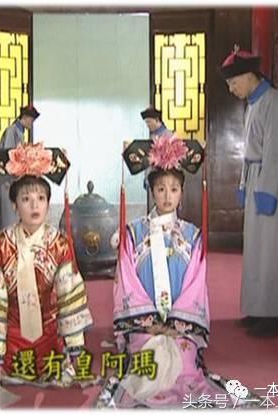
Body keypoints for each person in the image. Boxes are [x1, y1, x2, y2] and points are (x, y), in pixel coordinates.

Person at [96, 135, 257, 409]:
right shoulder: (133, 234)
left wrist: (175, 325)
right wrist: (150, 323)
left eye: (174, 189)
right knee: (151, 361)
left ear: (182, 192)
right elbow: (127, 282)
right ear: (152, 191)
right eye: (161, 189)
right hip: (143, 325)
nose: (167, 196)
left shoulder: (192, 236)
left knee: (184, 365)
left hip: (181, 325)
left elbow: (196, 286)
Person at [0, 143, 94, 390]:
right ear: (14, 205)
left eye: (41, 198)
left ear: (48, 203)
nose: (34, 206)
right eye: (26, 199)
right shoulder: (2, 244)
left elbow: (70, 300)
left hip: (49, 339)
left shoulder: (59, 244)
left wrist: (75, 349)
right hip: (11, 340)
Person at [220, 45, 278, 338]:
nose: (232, 89)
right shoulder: (252, 104)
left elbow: (274, 152)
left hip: (268, 180)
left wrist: (267, 190)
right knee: (255, 250)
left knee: (268, 250)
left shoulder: (273, 101)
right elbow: (249, 154)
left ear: (248, 76)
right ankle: (256, 308)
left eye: (233, 82)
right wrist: (244, 185)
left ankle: (272, 313)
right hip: (254, 176)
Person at [0, 105, 40, 233]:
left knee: (14, 215)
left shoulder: (19, 132)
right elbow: (9, 156)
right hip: (7, 180)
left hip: (15, 179)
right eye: (31, 120)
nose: (31, 123)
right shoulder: (12, 131)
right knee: (8, 218)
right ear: (25, 117)